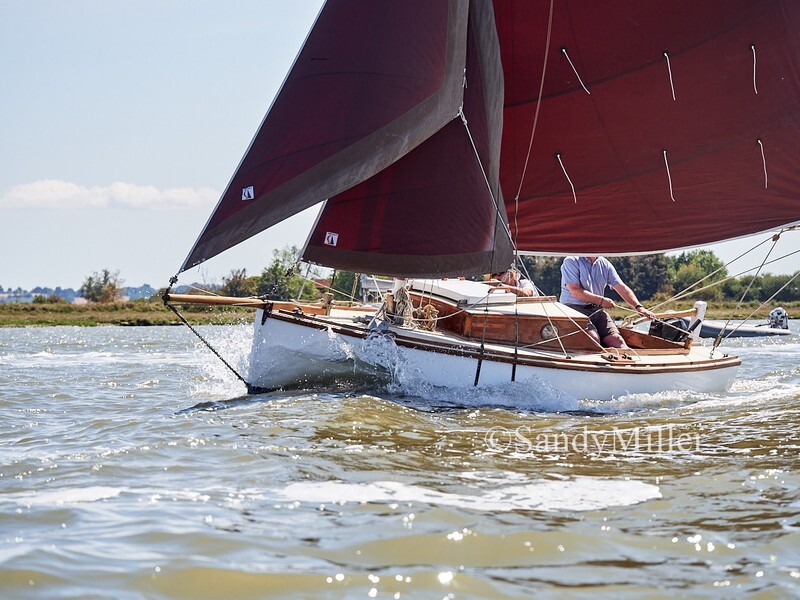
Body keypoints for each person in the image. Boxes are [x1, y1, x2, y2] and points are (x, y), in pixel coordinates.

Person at [559, 256, 656, 348]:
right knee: (593, 339)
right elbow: (575, 291)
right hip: (574, 309)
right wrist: (601, 301)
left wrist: (639, 307)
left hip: (597, 310)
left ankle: (627, 358)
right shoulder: (571, 261)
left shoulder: (605, 264)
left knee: (618, 341)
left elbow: (621, 287)